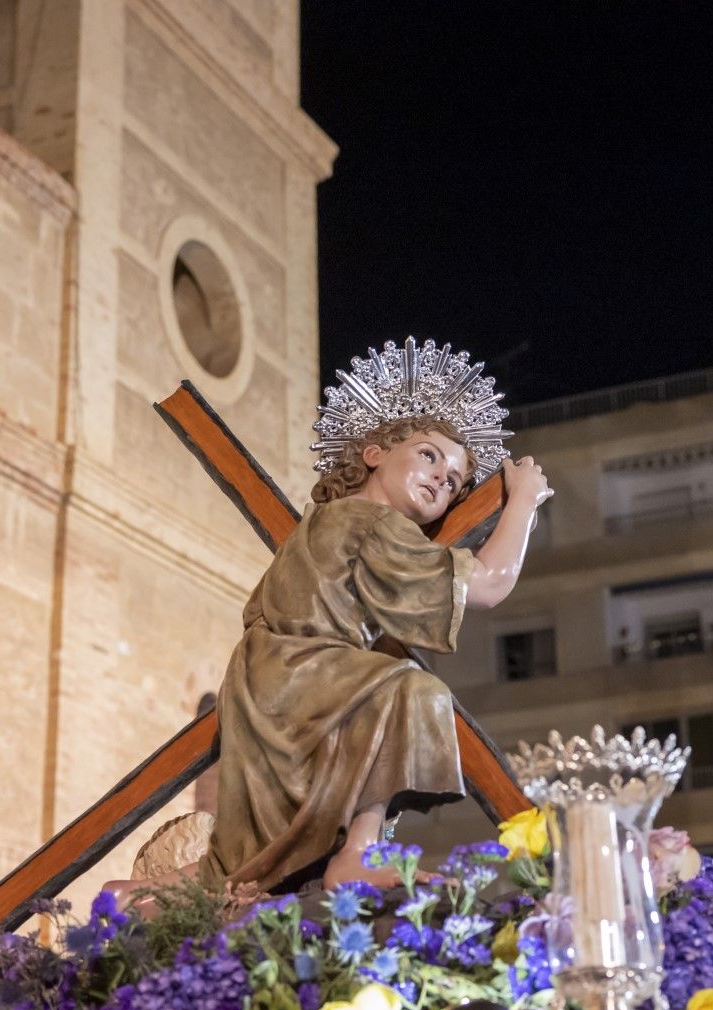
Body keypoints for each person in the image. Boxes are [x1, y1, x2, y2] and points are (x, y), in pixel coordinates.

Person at [106, 338, 548, 902]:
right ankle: (356, 856)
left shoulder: (324, 523)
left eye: (457, 482)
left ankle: (137, 893)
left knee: (246, 857)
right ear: (373, 453)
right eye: (430, 455)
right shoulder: (371, 525)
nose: (443, 478)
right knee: (413, 690)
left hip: (269, 678)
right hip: (301, 671)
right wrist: (524, 503)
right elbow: (487, 584)